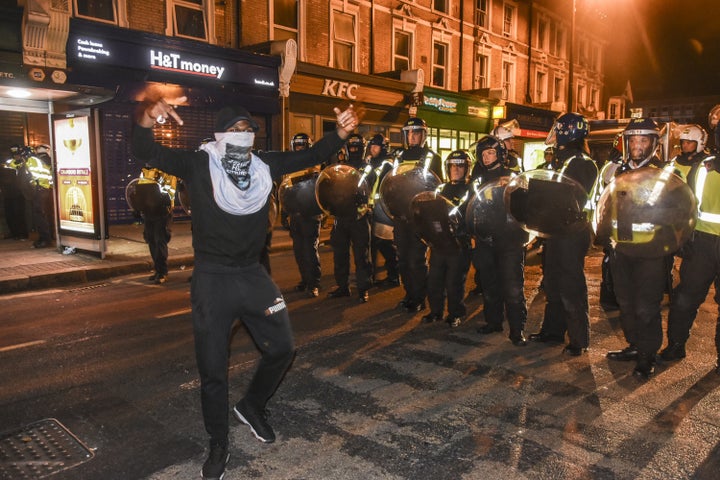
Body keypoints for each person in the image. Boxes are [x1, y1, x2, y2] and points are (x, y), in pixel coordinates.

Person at [131, 96, 358, 480]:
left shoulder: (264, 165)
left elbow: (309, 157)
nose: (242, 136)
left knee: (283, 347)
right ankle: (218, 441)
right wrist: (147, 117)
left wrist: (338, 133)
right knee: (213, 369)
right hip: (212, 279)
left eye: (248, 130)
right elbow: (145, 149)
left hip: (252, 275)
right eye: (234, 130)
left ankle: (252, 406)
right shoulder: (199, 162)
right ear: (219, 135)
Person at [601, 118, 674, 378]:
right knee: (625, 302)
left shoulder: (665, 174)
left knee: (646, 306)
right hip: (621, 249)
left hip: (651, 253)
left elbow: (677, 211)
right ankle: (634, 344)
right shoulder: (615, 171)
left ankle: (647, 355)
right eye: (633, 139)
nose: (637, 145)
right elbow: (604, 206)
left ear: (653, 143)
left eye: (643, 140)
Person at [528, 112, 598, 357]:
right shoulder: (560, 160)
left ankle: (579, 338)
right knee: (553, 282)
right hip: (555, 229)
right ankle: (553, 331)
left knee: (571, 285)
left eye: (558, 130)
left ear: (569, 132)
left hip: (572, 230)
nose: (554, 135)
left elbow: (570, 196)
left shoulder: (581, 162)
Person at [660, 124, 720, 375]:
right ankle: (675, 345)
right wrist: (684, 237)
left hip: (704, 241)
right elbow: (689, 203)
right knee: (685, 297)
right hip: (702, 242)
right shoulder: (705, 167)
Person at [471, 136, 529, 345]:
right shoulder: (477, 178)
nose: (487, 158)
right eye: (484, 154)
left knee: (513, 286)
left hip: (509, 240)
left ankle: (517, 329)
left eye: (491, 153)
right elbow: (471, 208)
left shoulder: (512, 177)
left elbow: (524, 207)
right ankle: (493, 321)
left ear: (500, 155)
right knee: (489, 284)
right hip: (486, 239)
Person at [393, 117, 443, 313]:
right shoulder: (399, 156)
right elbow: (392, 185)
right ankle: (409, 293)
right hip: (400, 215)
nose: (412, 136)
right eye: (409, 133)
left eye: (416, 132)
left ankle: (419, 297)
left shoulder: (432, 157)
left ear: (424, 135)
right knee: (403, 259)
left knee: (416, 259)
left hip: (419, 216)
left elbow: (436, 188)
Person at [420, 150, 473, 327]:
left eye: (460, 166)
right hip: (439, 243)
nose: (456, 169)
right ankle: (435, 311)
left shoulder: (471, 190)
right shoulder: (440, 189)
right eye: (452, 166)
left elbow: (473, 215)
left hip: (458, 244)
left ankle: (456, 313)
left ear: (466, 168)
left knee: (454, 283)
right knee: (434, 280)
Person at [327, 133, 373, 302]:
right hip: (341, 216)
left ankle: (363, 289)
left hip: (359, 216)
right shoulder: (340, 167)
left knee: (362, 255)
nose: (353, 150)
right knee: (340, 254)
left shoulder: (367, 168)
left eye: (356, 148)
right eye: (351, 147)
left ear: (362, 149)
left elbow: (369, 188)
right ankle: (342, 286)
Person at [286, 133, 323, 298]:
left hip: (310, 214)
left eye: (302, 145)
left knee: (310, 251)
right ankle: (305, 280)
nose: (299, 148)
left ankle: (314, 283)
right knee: (299, 251)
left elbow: (316, 185)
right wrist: (284, 212)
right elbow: (285, 191)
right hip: (295, 215)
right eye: (297, 145)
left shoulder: (314, 164)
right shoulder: (290, 166)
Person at [366, 133, 399, 286]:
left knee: (385, 244)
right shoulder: (371, 162)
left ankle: (394, 275)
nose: (373, 149)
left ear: (383, 148)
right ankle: (373, 275)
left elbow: (386, 186)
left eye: (376, 146)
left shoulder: (387, 164)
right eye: (371, 146)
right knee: (373, 243)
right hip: (371, 208)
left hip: (383, 210)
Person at [137, 167, 176, 284]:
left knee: (160, 241)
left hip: (162, 211)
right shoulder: (144, 171)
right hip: (148, 211)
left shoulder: (166, 171)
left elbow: (170, 191)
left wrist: (158, 195)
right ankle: (158, 270)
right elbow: (141, 190)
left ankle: (163, 272)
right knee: (151, 240)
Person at [19, 146, 54, 248]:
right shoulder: (36, 160)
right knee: (43, 215)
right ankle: (47, 238)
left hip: (39, 190)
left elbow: (32, 176)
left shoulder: (31, 161)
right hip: (43, 189)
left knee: (40, 216)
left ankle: (45, 240)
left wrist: (31, 185)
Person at [1, 145, 28, 240]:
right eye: (14, 154)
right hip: (8, 191)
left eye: (18, 154)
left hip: (19, 192)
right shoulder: (8, 163)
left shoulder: (25, 163)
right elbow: (4, 175)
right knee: (9, 213)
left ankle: (22, 233)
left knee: (19, 213)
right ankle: (14, 233)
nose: (16, 156)